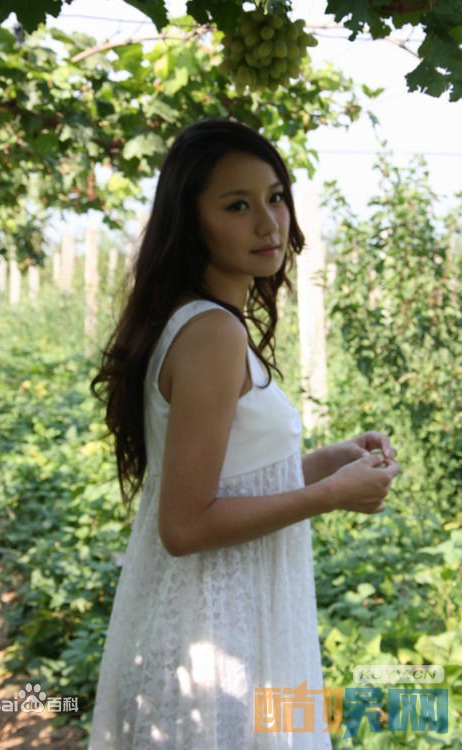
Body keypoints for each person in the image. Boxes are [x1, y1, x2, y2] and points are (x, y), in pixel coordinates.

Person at [88, 118, 399, 749]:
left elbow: (224, 481)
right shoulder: (212, 332)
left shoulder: (199, 322)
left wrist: (322, 464)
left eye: (275, 197)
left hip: (222, 627)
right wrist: (330, 495)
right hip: (216, 641)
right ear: (190, 221)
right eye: (237, 205)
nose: (268, 223)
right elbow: (185, 526)